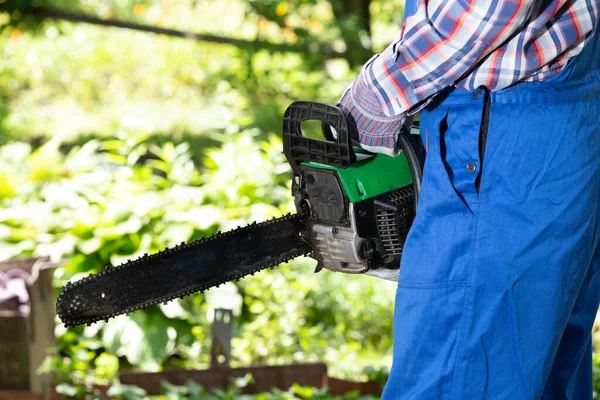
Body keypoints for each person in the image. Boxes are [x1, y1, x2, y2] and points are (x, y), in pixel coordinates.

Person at [329, 0, 600, 398]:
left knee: (453, 378)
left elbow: (493, 9)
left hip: (502, 137)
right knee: (542, 375)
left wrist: (374, 97)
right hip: (565, 121)